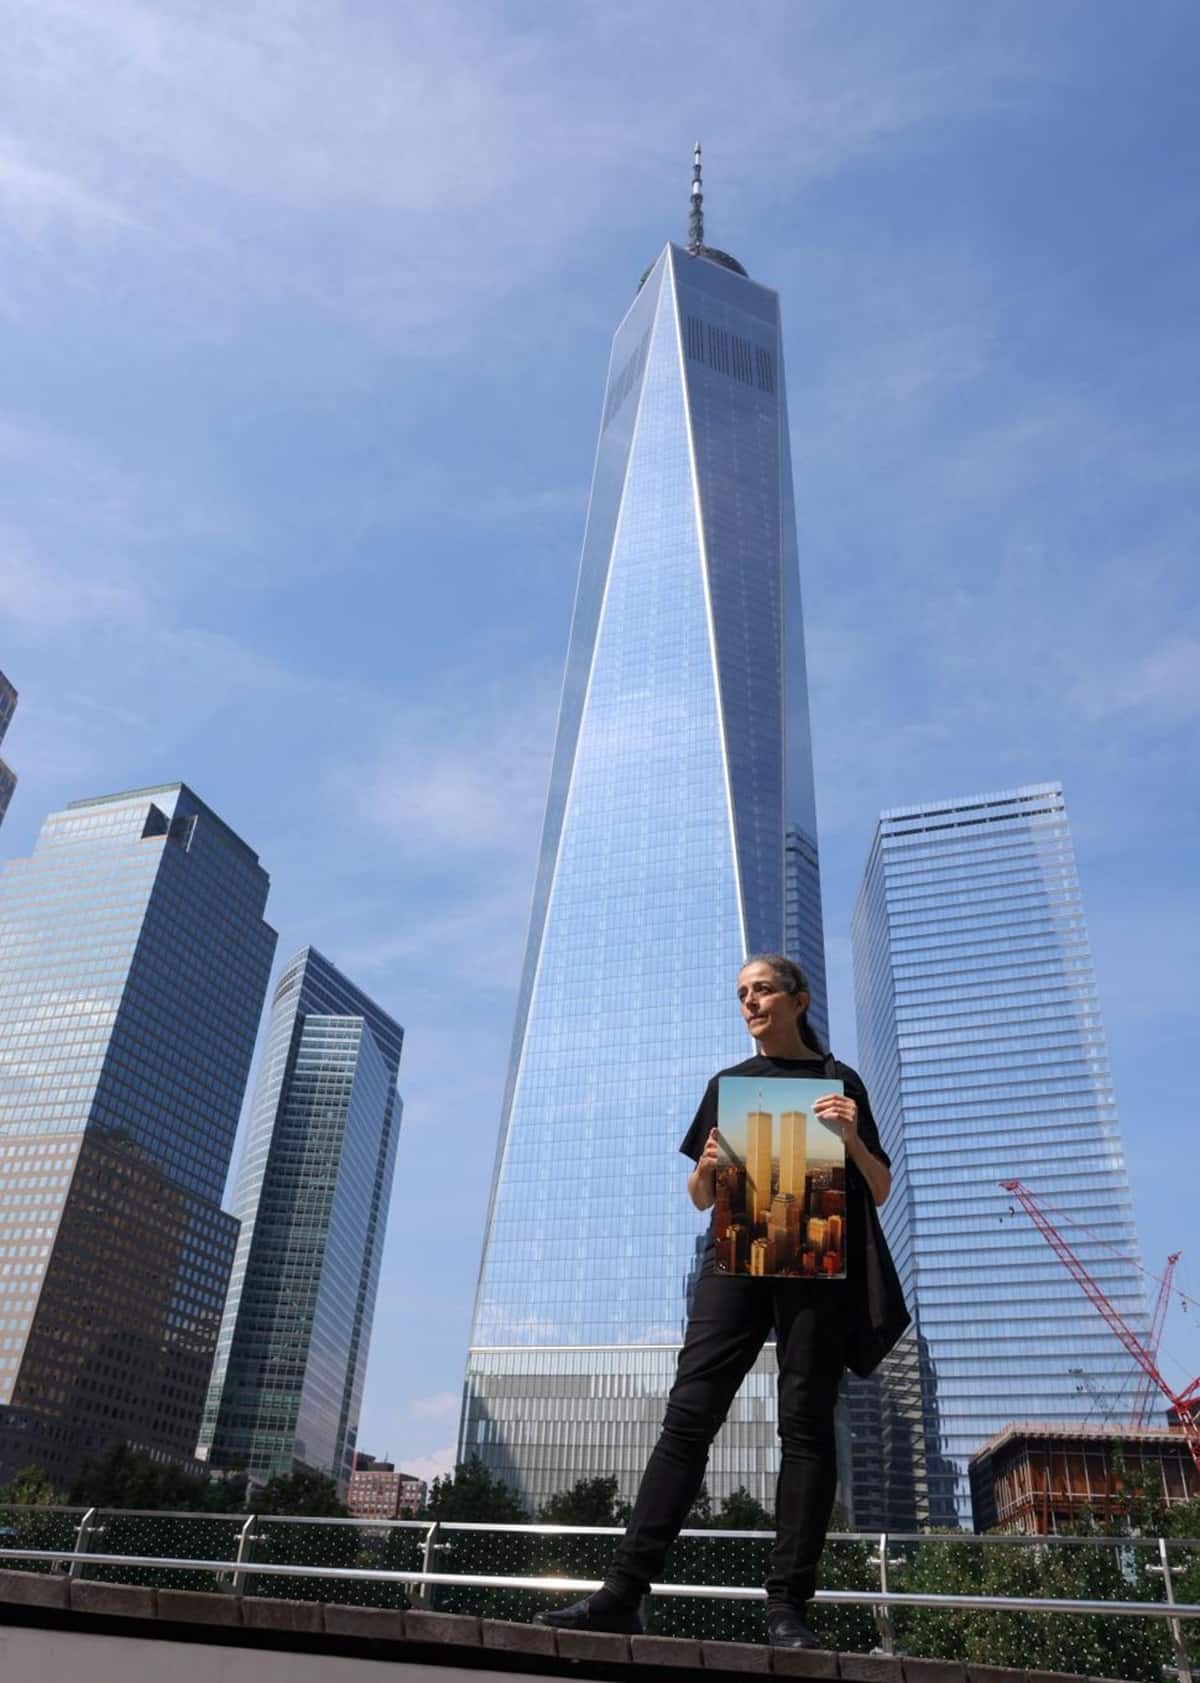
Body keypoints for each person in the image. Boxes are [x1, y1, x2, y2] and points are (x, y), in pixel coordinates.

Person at [535, 953, 909, 1649]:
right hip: (735, 1258)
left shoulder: (838, 1080)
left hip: (813, 1257)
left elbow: (881, 1188)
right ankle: (621, 1594)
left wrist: (852, 1137)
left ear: (798, 1000)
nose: (750, 1001)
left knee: (805, 1427)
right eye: (742, 993)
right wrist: (706, 1170)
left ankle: (787, 1609)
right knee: (688, 1417)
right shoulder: (728, 1084)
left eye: (763, 989)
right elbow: (702, 1197)